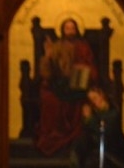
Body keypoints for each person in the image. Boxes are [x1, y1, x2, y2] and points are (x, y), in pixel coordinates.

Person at [36, 18, 98, 156]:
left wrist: (84, 70)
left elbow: (91, 66)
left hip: (78, 82)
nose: (70, 31)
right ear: (62, 30)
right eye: (67, 28)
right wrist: (48, 56)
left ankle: (75, 139)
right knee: (49, 100)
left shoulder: (83, 47)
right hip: (59, 83)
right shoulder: (57, 45)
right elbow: (47, 71)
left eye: (72, 28)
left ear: (77, 30)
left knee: (79, 99)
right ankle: (54, 136)